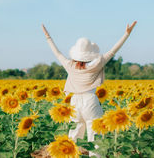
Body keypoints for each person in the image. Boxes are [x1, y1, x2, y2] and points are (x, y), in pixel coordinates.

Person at [41, 21, 137, 157]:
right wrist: (126, 34)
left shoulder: (69, 65)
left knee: (73, 137)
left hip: (74, 102)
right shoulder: (96, 64)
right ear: (90, 54)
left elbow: (57, 53)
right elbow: (113, 50)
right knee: (95, 137)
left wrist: (48, 37)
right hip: (90, 100)